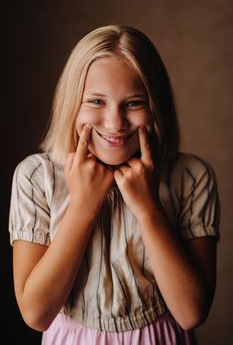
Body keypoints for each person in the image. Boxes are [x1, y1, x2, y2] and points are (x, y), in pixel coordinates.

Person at [8, 24, 220, 345]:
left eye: (133, 103)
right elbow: (36, 314)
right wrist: (82, 205)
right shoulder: (36, 178)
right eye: (95, 101)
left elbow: (191, 313)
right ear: (71, 102)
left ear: (154, 105)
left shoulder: (190, 176)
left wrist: (149, 208)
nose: (114, 123)